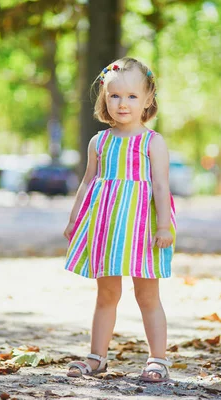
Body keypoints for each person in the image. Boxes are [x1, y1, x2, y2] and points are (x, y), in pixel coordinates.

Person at [63, 57, 176, 382]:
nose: (122, 103)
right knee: (107, 293)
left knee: (147, 295)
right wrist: (74, 220)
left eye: (131, 96)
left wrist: (164, 226)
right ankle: (97, 357)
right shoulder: (99, 142)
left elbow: (160, 185)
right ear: (104, 98)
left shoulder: (153, 142)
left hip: (144, 229)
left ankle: (158, 358)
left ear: (147, 100)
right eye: (114, 96)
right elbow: (88, 182)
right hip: (107, 228)